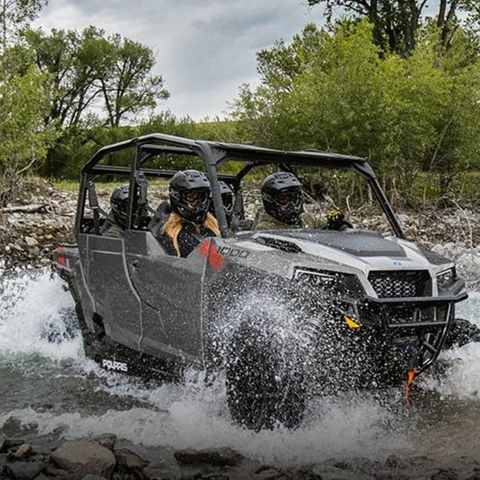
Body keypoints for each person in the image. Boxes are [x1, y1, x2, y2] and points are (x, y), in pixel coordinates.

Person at [255, 172, 351, 231]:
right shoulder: (265, 228)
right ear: (270, 201)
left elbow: (331, 230)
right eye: (284, 199)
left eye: (294, 198)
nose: (292, 204)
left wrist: (335, 223)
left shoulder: (306, 218)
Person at [156, 170, 220, 257]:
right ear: (177, 197)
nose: (198, 203)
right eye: (191, 197)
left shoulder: (215, 226)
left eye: (201, 197)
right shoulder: (171, 234)